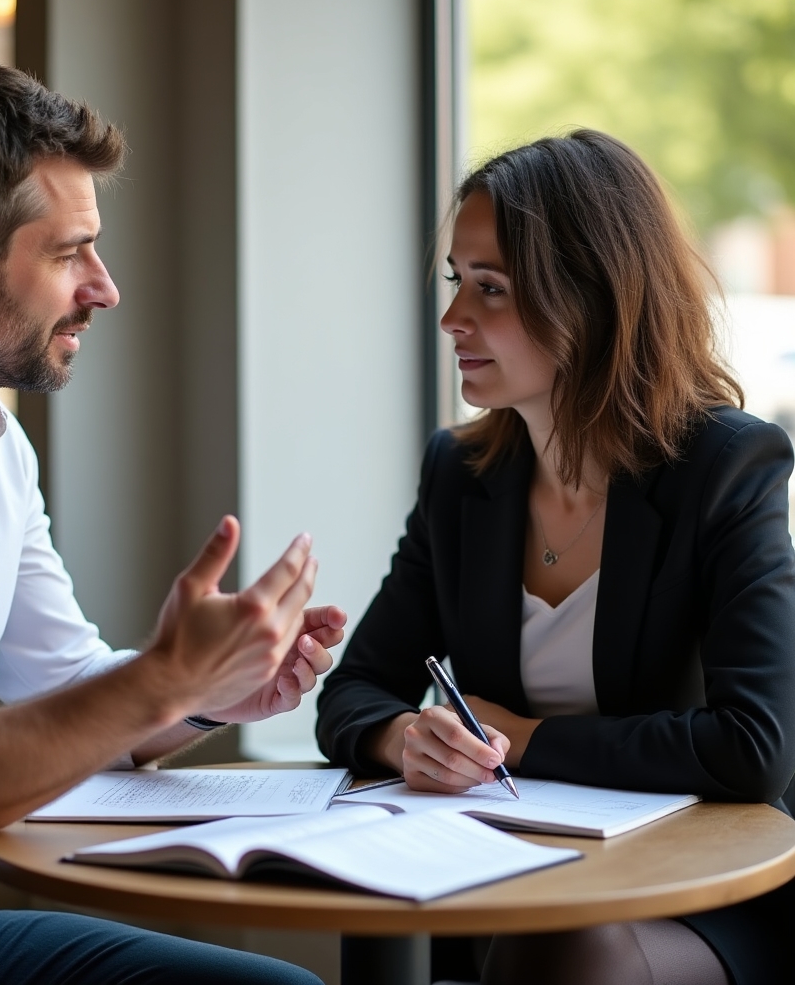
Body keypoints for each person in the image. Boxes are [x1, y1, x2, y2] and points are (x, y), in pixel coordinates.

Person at [0, 57, 346, 985]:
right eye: (70, 250)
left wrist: (202, 690)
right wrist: (158, 677)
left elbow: (71, 686)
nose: (105, 288)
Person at [316, 129, 795, 985]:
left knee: (559, 950)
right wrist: (401, 741)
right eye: (458, 281)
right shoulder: (461, 476)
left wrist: (526, 740)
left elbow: (754, 747)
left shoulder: (726, 468)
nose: (452, 318)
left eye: (490, 289)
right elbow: (354, 692)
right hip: (511, 873)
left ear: (592, 298)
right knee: (384, 906)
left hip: (700, 895)